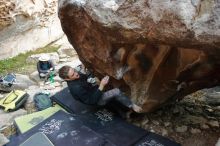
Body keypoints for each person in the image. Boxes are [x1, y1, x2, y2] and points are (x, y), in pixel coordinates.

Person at [58, 65, 142, 113]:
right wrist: (101, 85)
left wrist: (84, 70)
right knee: (116, 91)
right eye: (73, 74)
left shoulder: (76, 77)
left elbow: (82, 77)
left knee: (98, 79)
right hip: (95, 100)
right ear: (67, 79)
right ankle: (132, 106)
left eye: (74, 70)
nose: (76, 73)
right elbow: (92, 101)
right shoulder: (76, 88)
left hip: (91, 90)